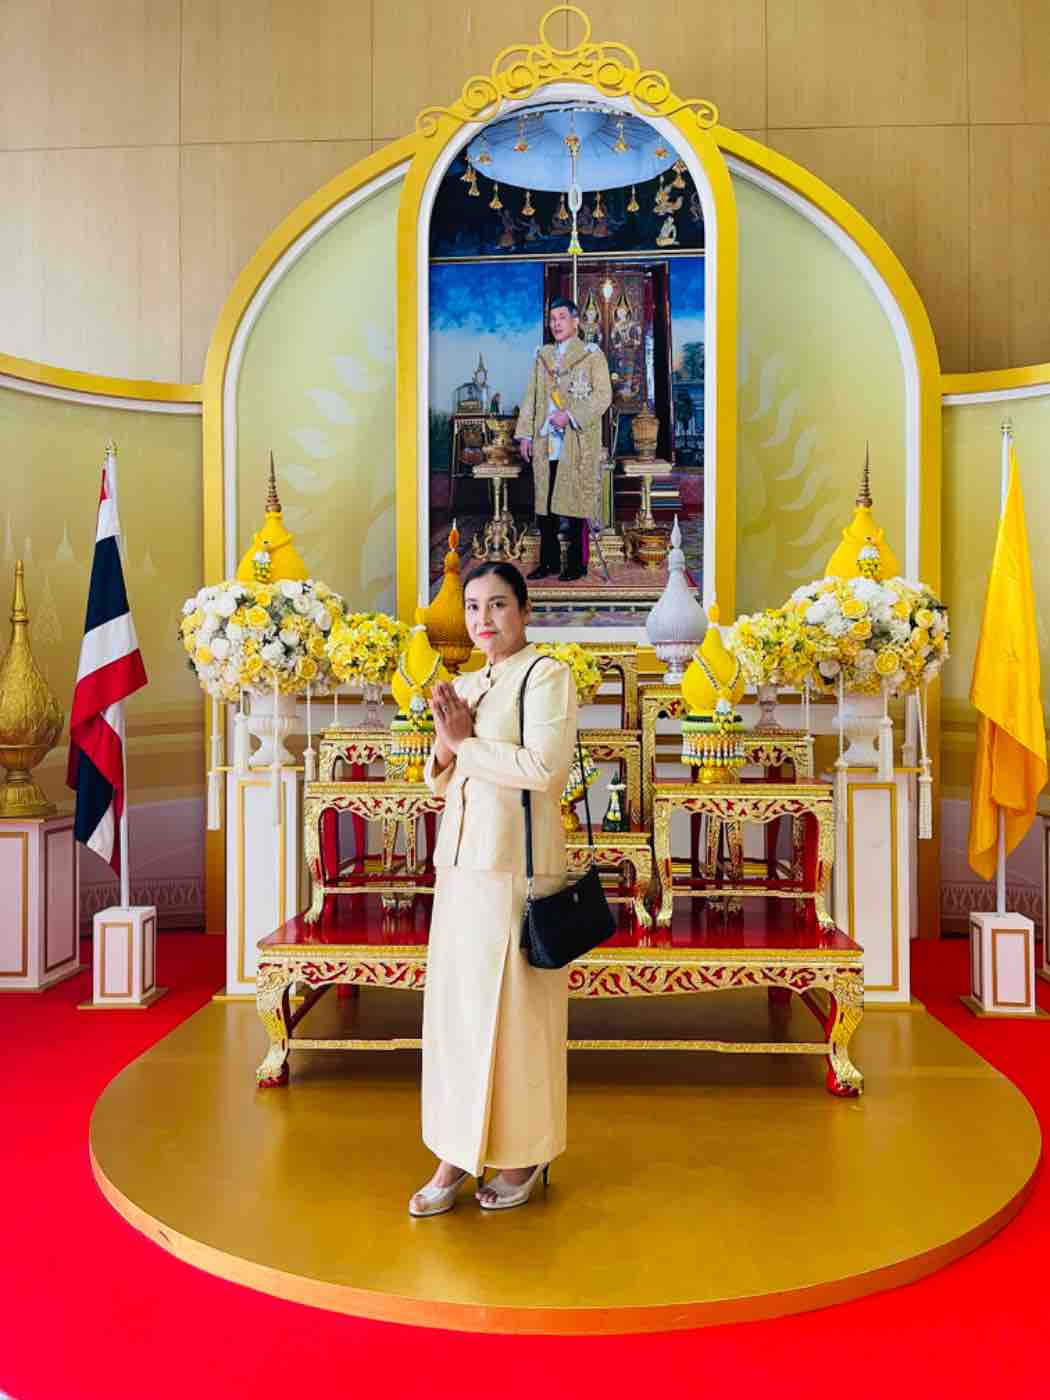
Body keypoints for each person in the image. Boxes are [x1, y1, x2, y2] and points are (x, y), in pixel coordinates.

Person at [409, 561, 576, 1216]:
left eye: (499, 604)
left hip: (517, 871)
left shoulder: (546, 675)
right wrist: (446, 749)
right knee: (456, 1015)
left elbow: (545, 768)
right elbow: (441, 780)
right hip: (460, 871)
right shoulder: (465, 683)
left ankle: (522, 1155)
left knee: (517, 1018)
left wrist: (465, 742)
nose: (483, 618)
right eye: (474, 606)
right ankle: (454, 1151)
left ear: (525, 611)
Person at [515, 297, 613, 582]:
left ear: (575, 321)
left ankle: (576, 564)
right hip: (545, 441)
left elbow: (603, 396)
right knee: (545, 504)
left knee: (574, 503)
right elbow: (531, 396)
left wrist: (569, 415)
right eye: (552, 319)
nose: (556, 324)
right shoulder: (542, 356)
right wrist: (525, 435)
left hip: (576, 442)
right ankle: (549, 562)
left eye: (562, 318)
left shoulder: (591, 355)